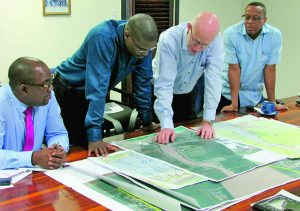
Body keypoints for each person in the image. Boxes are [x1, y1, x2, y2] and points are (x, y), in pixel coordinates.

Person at [53, 14, 158, 156]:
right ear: (127, 35)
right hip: (69, 89)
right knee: (75, 147)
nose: (145, 54)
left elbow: (143, 83)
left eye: (149, 49)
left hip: (92, 91)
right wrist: (94, 138)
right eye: (141, 49)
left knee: (95, 147)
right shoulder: (102, 37)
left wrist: (147, 122)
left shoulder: (142, 45)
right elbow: (98, 89)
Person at [152, 12, 224, 144]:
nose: (197, 49)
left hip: (188, 91)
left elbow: (214, 79)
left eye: (204, 45)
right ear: (189, 27)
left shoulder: (215, 41)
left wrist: (208, 121)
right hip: (160, 93)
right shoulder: (169, 39)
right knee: (160, 139)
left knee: (186, 141)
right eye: (195, 41)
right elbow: (164, 84)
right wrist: (166, 124)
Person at [0, 57, 69, 170]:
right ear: (24, 89)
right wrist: (33, 158)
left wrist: (57, 150)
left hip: (37, 174)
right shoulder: (2, 104)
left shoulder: (48, 98)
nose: (51, 88)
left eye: (51, 81)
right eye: (45, 84)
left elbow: (57, 133)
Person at [218, 2, 288, 112]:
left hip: (254, 94)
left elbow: (270, 69)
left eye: (255, 18)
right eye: (247, 17)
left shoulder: (274, 35)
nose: (250, 22)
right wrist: (234, 105)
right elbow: (234, 69)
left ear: (264, 20)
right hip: (229, 95)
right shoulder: (231, 34)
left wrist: (272, 102)